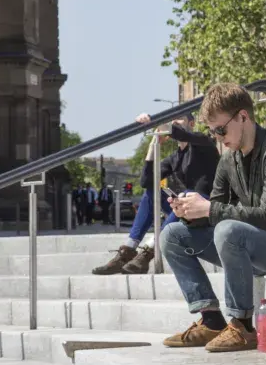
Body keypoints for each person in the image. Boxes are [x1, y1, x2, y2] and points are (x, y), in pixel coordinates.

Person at [159, 83, 266, 353]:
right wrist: (190, 214)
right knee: (172, 235)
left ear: (243, 117)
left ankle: (242, 325)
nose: (218, 137)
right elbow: (215, 212)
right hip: (254, 247)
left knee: (228, 231)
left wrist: (208, 209)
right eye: (212, 131)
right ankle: (211, 320)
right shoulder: (229, 160)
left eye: (221, 129)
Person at [93, 114, 218, 275]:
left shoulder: (203, 141)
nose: (174, 122)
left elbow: (181, 133)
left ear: (192, 123)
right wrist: (153, 144)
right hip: (186, 209)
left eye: (178, 118)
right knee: (152, 191)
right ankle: (128, 251)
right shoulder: (175, 158)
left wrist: (154, 122)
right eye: (171, 120)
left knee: (187, 194)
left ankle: (148, 252)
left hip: (207, 209)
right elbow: (146, 181)